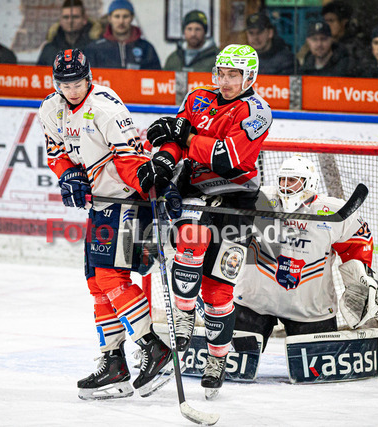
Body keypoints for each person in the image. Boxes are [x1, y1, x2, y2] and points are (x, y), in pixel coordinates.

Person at [38, 48, 176, 400]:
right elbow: (56, 152)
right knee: (95, 282)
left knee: (110, 277)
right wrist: (67, 174)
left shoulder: (106, 108)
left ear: (89, 78)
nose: (72, 90)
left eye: (78, 82)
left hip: (127, 201)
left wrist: (154, 187)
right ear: (56, 83)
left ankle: (153, 347)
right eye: (65, 84)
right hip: (99, 205)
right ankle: (114, 363)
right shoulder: (50, 108)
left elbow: (130, 159)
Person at [138, 44, 272, 399]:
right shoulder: (198, 98)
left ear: (249, 77)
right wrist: (165, 161)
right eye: (222, 74)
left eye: (234, 75)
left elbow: (226, 158)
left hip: (236, 198)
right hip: (195, 191)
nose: (225, 82)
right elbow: (173, 142)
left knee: (218, 291)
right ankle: (183, 316)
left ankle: (217, 359)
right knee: (191, 240)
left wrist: (185, 137)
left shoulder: (257, 111)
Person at [233, 156, 378, 350]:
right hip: (254, 300)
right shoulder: (258, 199)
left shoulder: (332, 210)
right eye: (282, 179)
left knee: (316, 367)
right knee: (236, 360)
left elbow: (357, 242)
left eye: (292, 180)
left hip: (311, 307)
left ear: (310, 183)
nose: (285, 186)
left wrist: (358, 280)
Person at [85, 0, 161, 70]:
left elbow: (157, 76)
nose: (121, 21)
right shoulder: (95, 48)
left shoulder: (146, 48)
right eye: (117, 16)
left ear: (132, 18)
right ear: (110, 18)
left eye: (125, 16)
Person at [36, 0, 102, 66]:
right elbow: (39, 71)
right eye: (66, 17)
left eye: (75, 17)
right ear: (60, 20)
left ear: (84, 19)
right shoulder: (49, 49)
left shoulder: (96, 48)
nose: (70, 21)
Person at [321, 0, 366, 75]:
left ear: (344, 22)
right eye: (325, 21)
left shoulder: (355, 47)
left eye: (331, 21)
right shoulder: (319, 44)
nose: (327, 25)